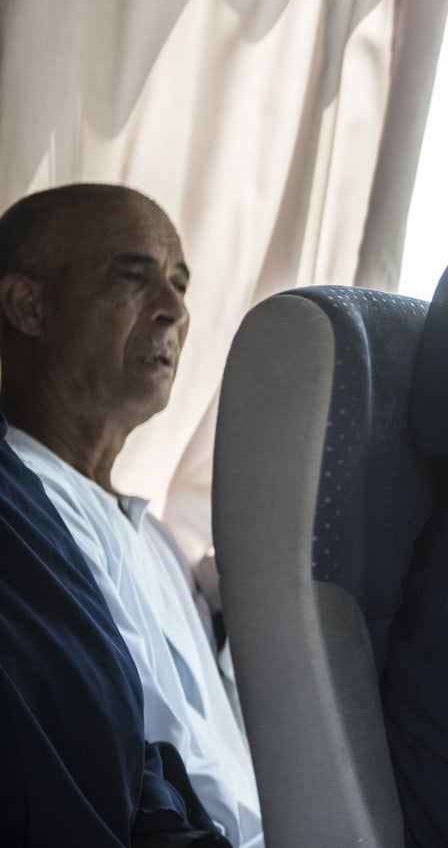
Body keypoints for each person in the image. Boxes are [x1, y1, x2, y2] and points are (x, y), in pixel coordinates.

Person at [0, 184, 261, 847]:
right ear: (29, 305)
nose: (175, 310)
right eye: (132, 275)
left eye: (180, 283)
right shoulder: (21, 520)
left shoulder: (158, 544)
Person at [0, 410, 231, 847]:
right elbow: (151, 749)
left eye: (187, 332)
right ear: (30, 333)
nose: (173, 336)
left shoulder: (156, 537)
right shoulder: (42, 496)